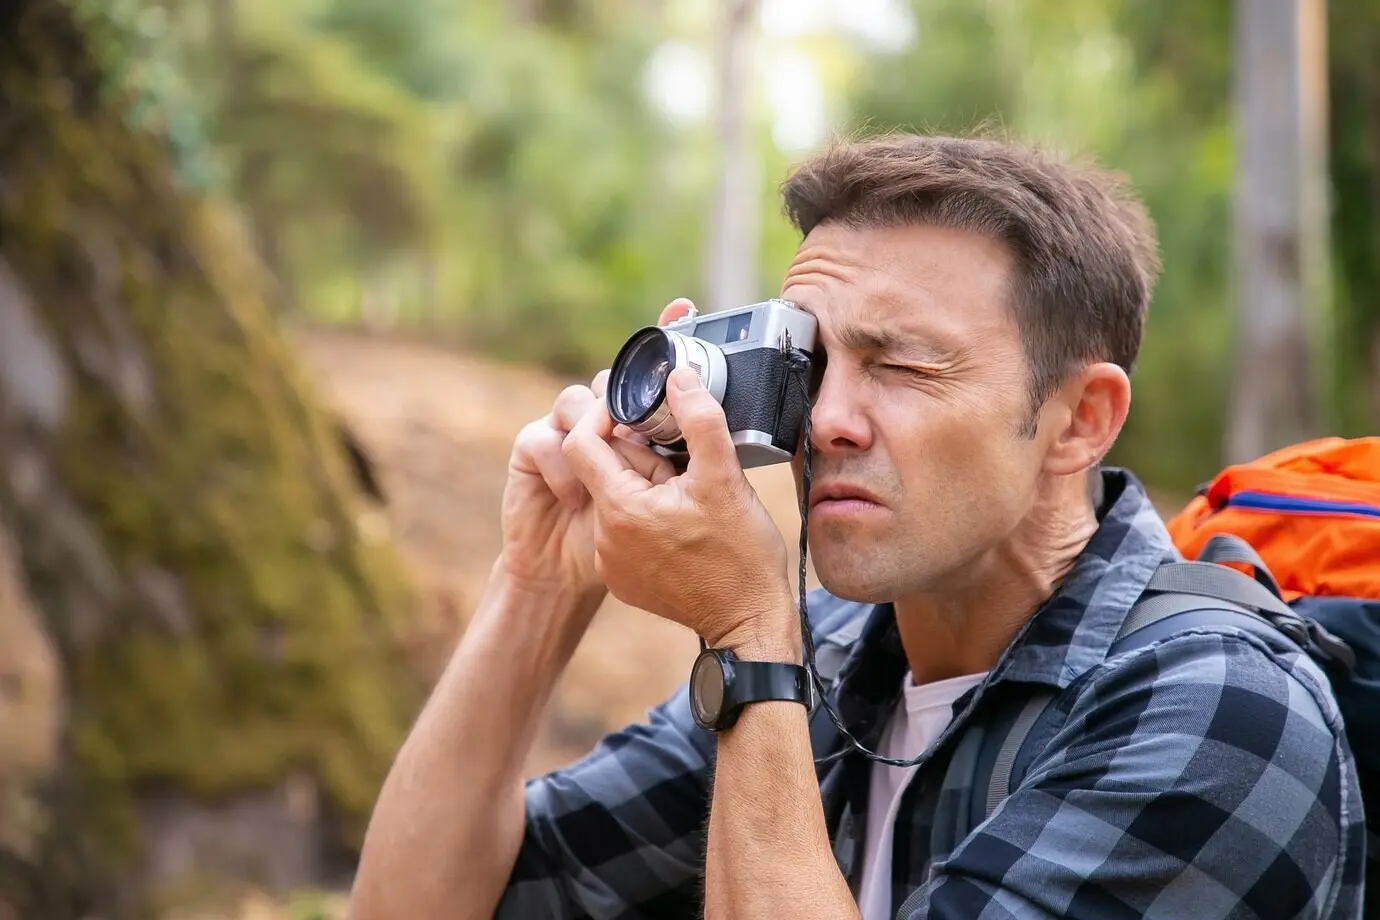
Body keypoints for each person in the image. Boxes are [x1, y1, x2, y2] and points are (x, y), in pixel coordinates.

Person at [346, 134, 1365, 919]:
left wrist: (751, 644)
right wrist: (540, 579)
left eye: (906, 365)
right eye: (810, 364)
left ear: (1078, 420)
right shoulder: (838, 658)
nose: (827, 420)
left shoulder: (1221, 708)